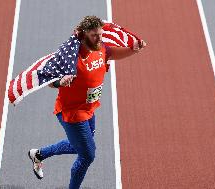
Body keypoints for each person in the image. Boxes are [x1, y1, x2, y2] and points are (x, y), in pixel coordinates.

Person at [28, 15, 146, 189]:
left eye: (100, 34)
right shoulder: (70, 56)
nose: (99, 38)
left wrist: (133, 49)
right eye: (94, 35)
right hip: (72, 112)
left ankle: (38, 154)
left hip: (89, 108)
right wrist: (61, 81)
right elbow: (49, 80)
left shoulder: (101, 48)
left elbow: (111, 53)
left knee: (79, 147)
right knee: (87, 155)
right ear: (83, 35)